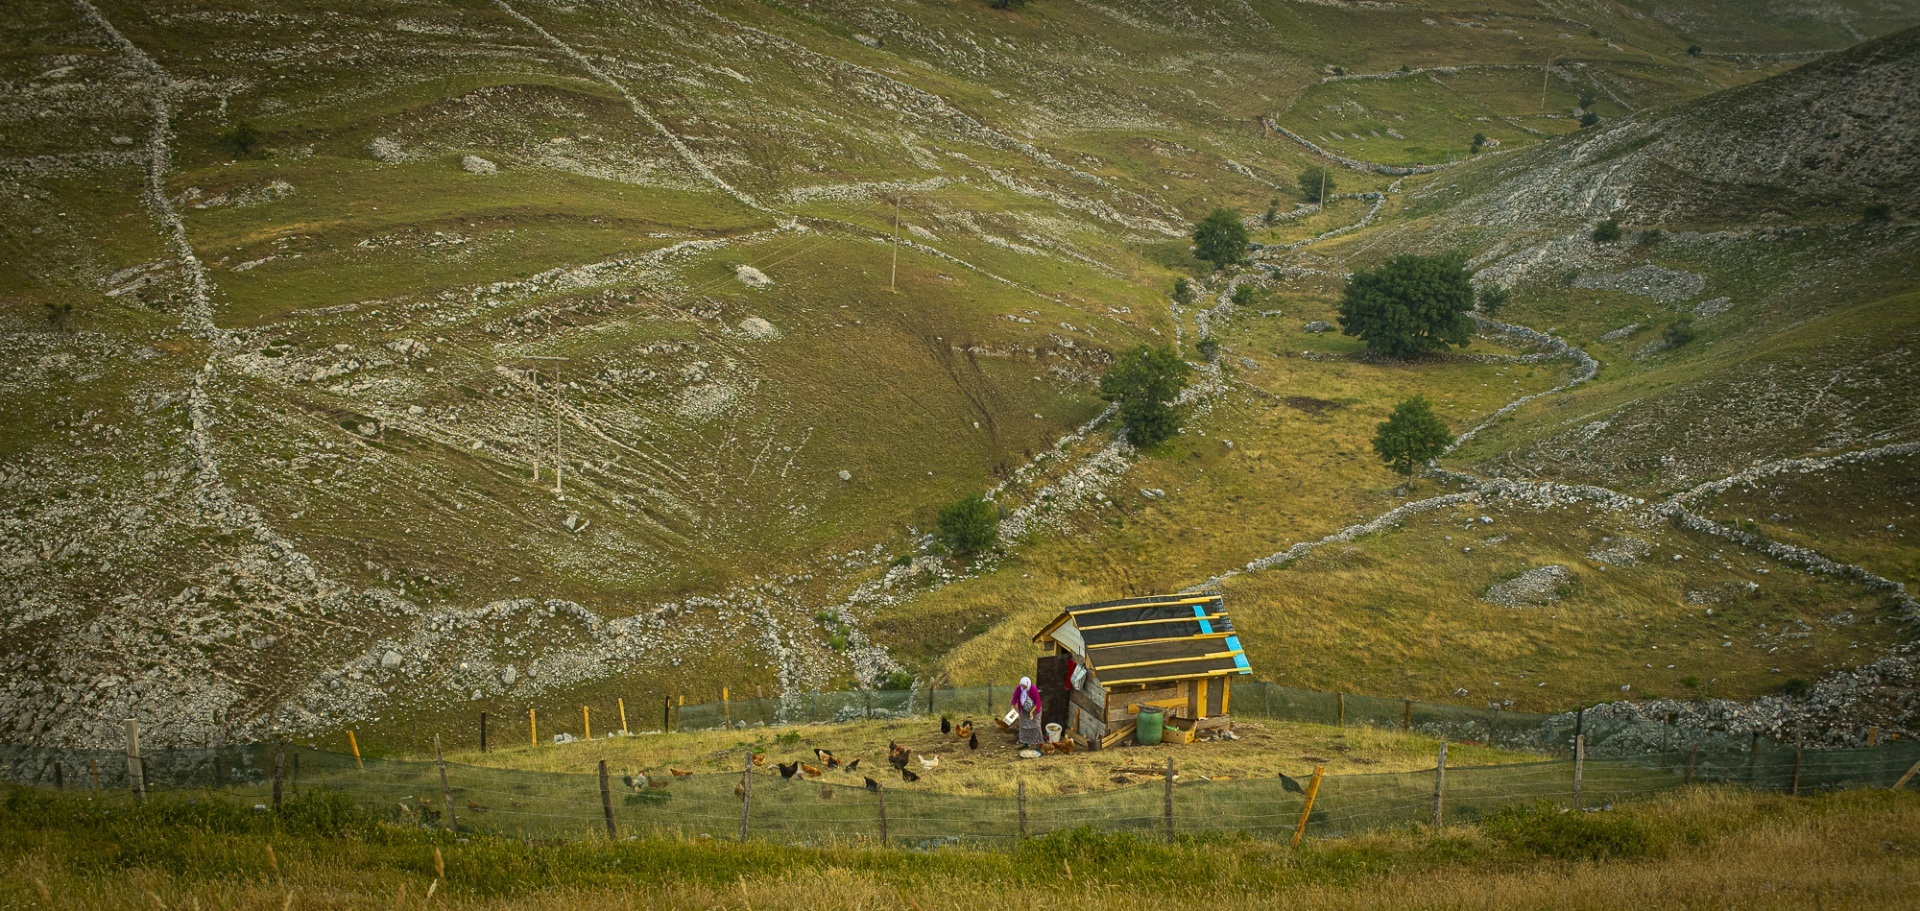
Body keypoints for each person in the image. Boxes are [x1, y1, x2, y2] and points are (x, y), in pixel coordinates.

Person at [1012, 676, 1043, 747]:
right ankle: (1025, 743)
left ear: (1028, 684)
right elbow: (1015, 697)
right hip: (1024, 710)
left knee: (1036, 726)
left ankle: (1037, 743)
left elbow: (1038, 702)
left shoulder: (1033, 689)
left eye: (1024, 686)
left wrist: (1031, 712)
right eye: (1021, 685)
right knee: (1023, 726)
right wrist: (1013, 706)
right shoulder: (1019, 688)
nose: (1022, 687)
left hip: (1035, 710)